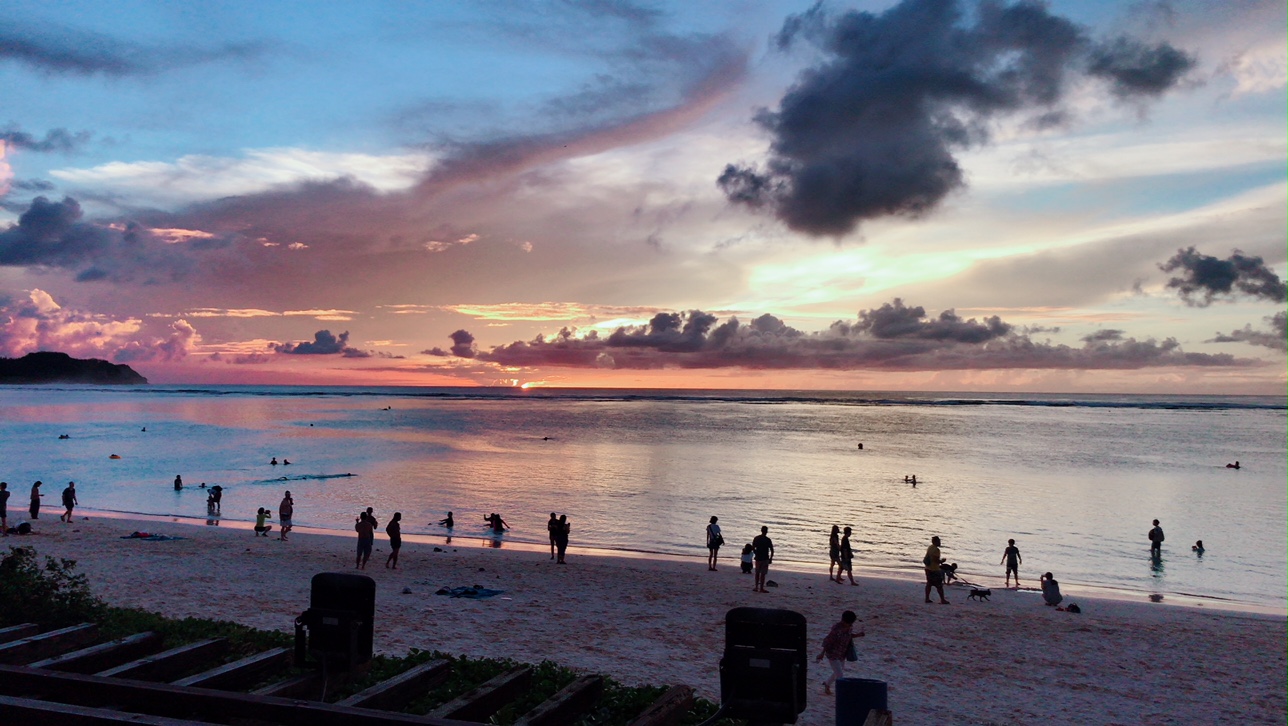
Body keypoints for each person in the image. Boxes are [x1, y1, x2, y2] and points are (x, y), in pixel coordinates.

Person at [816, 610, 864, 695]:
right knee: (840, 675)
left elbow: (849, 636)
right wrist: (822, 653)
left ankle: (827, 684)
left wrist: (858, 635)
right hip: (833, 654)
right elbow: (827, 642)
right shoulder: (836, 630)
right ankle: (842, 693)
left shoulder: (849, 627)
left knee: (838, 672)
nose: (850, 625)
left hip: (842, 653)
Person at [924, 535, 949, 604]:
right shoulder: (936, 550)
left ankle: (927, 598)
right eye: (939, 541)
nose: (940, 542)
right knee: (939, 586)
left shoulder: (930, 547)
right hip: (934, 569)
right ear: (935, 542)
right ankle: (942, 600)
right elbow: (936, 560)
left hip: (928, 568)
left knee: (929, 584)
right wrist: (942, 561)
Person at [752, 526, 774, 593]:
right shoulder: (768, 540)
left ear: (761, 530)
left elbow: (753, 547)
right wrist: (771, 558)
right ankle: (761, 588)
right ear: (766, 531)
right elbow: (772, 550)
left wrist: (756, 553)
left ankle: (756, 587)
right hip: (765, 558)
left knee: (757, 573)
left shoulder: (756, 538)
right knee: (763, 574)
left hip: (758, 558)